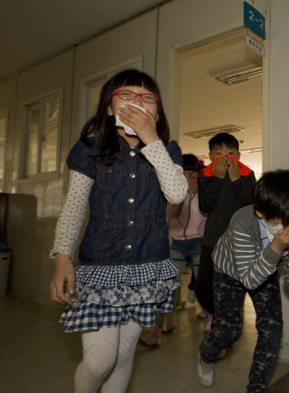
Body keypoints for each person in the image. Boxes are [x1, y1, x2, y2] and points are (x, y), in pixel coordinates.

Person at [49, 69, 187, 393]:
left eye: (147, 97)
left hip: (147, 269)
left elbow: (178, 194)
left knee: (124, 357)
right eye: (126, 94)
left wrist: (151, 139)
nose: (137, 102)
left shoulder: (168, 151)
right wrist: (61, 258)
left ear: (157, 110)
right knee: (99, 362)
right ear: (109, 108)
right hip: (99, 269)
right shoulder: (90, 150)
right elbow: (72, 209)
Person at [197, 170, 289, 392]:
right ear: (260, 212)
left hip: (264, 271)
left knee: (272, 329)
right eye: (282, 223)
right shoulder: (243, 221)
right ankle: (206, 353)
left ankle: (256, 388)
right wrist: (276, 247)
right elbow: (248, 279)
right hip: (229, 271)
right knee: (229, 331)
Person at [138, 153, 207, 347]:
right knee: (166, 288)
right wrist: (180, 195)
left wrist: (199, 192)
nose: (188, 175)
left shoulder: (204, 190)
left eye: (192, 171)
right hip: (177, 243)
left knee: (203, 285)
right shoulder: (171, 191)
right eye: (184, 171)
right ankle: (156, 333)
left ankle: (212, 319)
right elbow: (168, 215)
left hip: (198, 242)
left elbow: (208, 212)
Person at [196, 132, 257, 333]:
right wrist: (218, 178)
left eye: (230, 152)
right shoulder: (205, 175)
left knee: (234, 289)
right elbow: (204, 205)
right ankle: (218, 315)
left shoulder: (247, 175)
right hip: (212, 240)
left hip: (239, 243)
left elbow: (253, 206)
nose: (225, 157)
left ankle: (227, 327)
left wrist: (237, 180)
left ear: (238, 156)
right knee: (204, 286)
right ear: (211, 156)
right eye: (219, 153)